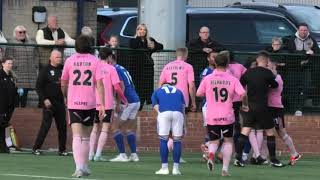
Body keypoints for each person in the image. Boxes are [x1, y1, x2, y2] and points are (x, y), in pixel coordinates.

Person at [61, 35, 105, 178]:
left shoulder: (69, 60)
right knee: (86, 137)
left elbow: (63, 82)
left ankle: (79, 167)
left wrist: (66, 95)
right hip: (90, 103)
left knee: (77, 136)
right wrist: (103, 104)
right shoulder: (95, 61)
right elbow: (99, 84)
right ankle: (84, 166)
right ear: (90, 46)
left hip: (74, 103)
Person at [197, 53, 245, 176]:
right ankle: (225, 170)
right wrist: (245, 104)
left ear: (215, 64)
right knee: (228, 141)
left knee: (214, 141)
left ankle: (211, 155)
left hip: (212, 115)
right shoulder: (233, 79)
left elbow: (198, 93)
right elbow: (243, 93)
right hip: (228, 116)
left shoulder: (208, 78)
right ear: (228, 64)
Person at [234, 51, 285, 168]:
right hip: (262, 106)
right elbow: (275, 85)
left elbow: (240, 83)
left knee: (245, 131)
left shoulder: (248, 72)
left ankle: (238, 158)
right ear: (266, 61)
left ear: (257, 61)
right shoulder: (268, 73)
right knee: (270, 132)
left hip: (250, 106)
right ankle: (273, 160)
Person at [89, 48, 127, 161]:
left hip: (94, 102)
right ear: (109, 57)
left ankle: (90, 154)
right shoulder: (111, 69)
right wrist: (124, 99)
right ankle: (98, 155)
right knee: (105, 128)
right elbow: (117, 87)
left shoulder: (95, 67)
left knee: (94, 128)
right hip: (107, 103)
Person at [32, 50, 68, 156]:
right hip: (49, 103)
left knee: (62, 126)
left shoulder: (63, 69)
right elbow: (38, 86)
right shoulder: (45, 70)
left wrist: (66, 97)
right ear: (51, 58)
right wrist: (44, 99)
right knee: (46, 126)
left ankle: (62, 150)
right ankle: (36, 148)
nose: (59, 59)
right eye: (57, 57)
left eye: (60, 57)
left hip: (60, 102)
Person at [108, 48, 141, 162]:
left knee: (115, 127)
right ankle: (134, 155)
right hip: (135, 100)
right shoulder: (122, 68)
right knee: (128, 129)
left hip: (128, 102)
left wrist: (118, 103)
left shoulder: (115, 69)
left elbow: (120, 87)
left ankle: (122, 155)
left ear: (110, 59)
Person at [267, 59, 301, 165]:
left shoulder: (277, 78)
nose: (266, 67)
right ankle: (262, 156)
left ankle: (295, 154)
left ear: (273, 66)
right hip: (269, 107)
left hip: (276, 109)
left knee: (281, 132)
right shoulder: (270, 77)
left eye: (268, 65)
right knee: (268, 132)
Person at [285, 23, 320, 115]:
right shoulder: (292, 39)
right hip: (294, 67)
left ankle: (299, 108)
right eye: (301, 30)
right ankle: (293, 109)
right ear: (298, 30)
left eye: (305, 30)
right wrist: (306, 53)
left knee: (306, 87)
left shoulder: (311, 39)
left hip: (306, 68)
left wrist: (311, 54)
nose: (303, 32)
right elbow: (291, 52)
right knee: (293, 88)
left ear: (307, 31)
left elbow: (316, 52)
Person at [152, 84, 185, 175]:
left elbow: (155, 105)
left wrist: (161, 114)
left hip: (164, 113)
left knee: (163, 140)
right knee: (177, 141)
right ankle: (176, 169)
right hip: (178, 114)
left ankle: (164, 168)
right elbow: (182, 107)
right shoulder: (179, 91)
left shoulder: (157, 91)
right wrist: (184, 124)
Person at [129, 23, 163, 110]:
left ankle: (144, 103)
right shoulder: (133, 40)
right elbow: (134, 45)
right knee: (138, 88)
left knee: (147, 88)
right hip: (137, 69)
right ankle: (138, 106)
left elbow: (161, 46)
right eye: (140, 29)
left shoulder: (150, 40)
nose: (142, 31)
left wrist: (154, 45)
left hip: (148, 69)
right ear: (137, 31)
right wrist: (144, 42)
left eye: (144, 30)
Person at [6, 25, 39, 107]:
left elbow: (36, 55)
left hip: (30, 73)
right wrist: (16, 64)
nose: (22, 34)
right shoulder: (11, 43)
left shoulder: (31, 42)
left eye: (24, 32)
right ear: (16, 33)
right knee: (17, 95)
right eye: (20, 32)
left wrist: (35, 64)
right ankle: (15, 113)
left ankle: (23, 111)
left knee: (25, 95)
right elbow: (8, 57)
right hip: (18, 73)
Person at [159, 48, 196, 112]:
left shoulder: (167, 66)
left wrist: (160, 99)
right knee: (181, 120)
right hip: (182, 99)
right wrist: (193, 102)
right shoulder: (188, 66)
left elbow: (160, 84)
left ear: (176, 55)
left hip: (168, 98)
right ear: (186, 55)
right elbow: (191, 86)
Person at [0, 56, 17, 153]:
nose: (10, 65)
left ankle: (3, 146)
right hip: (1, 105)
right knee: (1, 125)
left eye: (11, 63)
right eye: (8, 63)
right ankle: (3, 146)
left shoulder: (11, 76)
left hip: (9, 106)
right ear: (3, 64)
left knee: (3, 126)